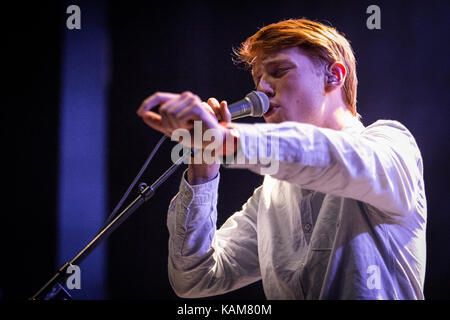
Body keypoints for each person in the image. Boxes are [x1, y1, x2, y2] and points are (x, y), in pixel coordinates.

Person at [136, 18, 426, 300]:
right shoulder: (271, 195)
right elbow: (194, 278)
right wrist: (204, 164)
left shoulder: (392, 144)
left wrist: (226, 140)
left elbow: (333, 157)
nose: (261, 88)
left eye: (279, 71)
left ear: (333, 76)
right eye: (257, 78)